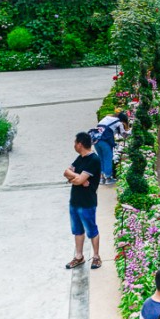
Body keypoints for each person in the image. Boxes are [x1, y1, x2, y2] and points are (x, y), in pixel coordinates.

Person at [63, 131, 102, 269]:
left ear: (80, 144)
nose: (74, 145)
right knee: (77, 230)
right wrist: (77, 178)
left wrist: (74, 179)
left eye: (75, 143)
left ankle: (96, 257)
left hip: (87, 202)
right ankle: (79, 257)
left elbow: (78, 180)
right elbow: (66, 172)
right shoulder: (80, 158)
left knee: (92, 230)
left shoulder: (93, 160)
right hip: (74, 201)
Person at [91, 112, 125, 185]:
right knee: (108, 158)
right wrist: (131, 131)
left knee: (101, 158)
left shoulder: (106, 119)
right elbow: (124, 134)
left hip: (96, 141)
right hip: (104, 142)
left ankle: (101, 178)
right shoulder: (119, 122)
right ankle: (108, 178)